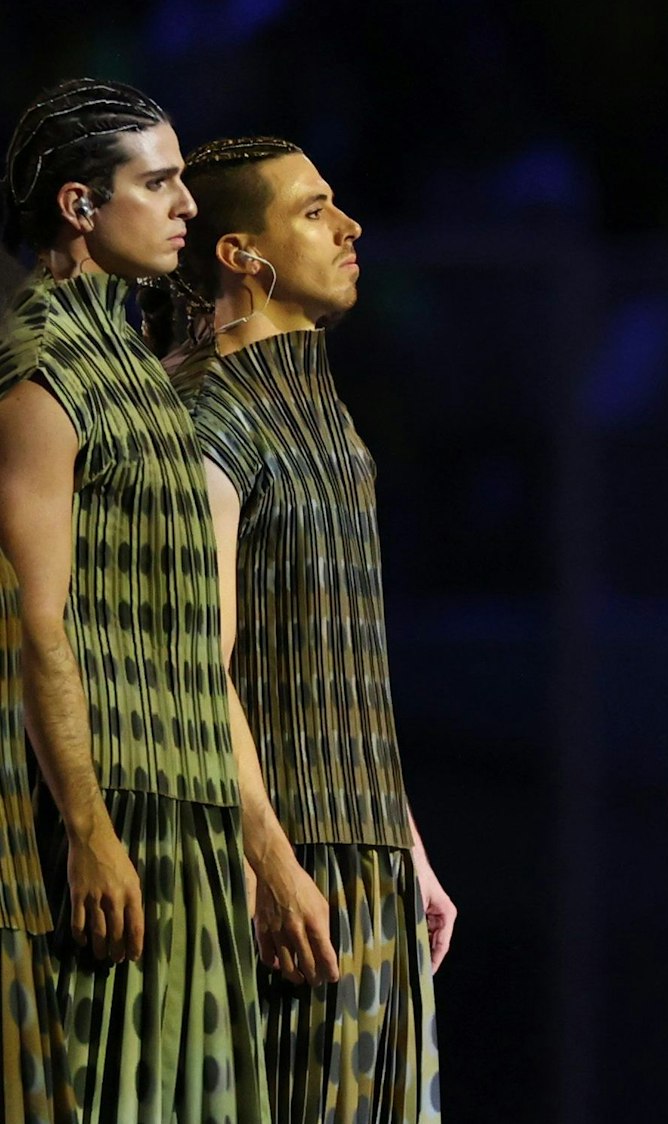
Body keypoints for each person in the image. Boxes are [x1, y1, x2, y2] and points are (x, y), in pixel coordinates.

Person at [164, 135, 453, 1122]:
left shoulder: (328, 416)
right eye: (313, 209)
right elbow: (194, 664)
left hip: (363, 858)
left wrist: (405, 841)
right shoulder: (207, 413)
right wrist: (270, 861)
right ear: (243, 255)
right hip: (287, 871)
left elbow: (338, 655)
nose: (349, 225)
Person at [0, 78, 263, 1121]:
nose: (187, 205)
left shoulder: (136, 366)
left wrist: (242, 835)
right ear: (78, 206)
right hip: (121, 823)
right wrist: (90, 828)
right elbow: (36, 613)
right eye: (157, 183)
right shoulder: (41, 368)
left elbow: (189, 636)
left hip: (186, 809)